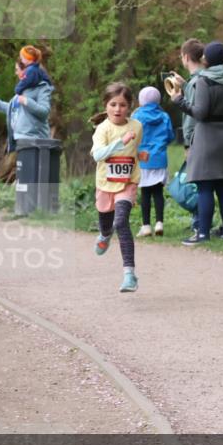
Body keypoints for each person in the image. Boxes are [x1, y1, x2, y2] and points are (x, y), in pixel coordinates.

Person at [172, 41, 223, 245]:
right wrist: (186, 86)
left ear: (206, 59)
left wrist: (179, 101)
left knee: (205, 188)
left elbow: (200, 112)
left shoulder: (203, 81)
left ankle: (203, 233)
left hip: (206, 136)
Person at [89, 83, 146, 292]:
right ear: (106, 105)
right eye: (113, 104)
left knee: (121, 222)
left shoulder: (137, 127)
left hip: (128, 183)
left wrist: (139, 156)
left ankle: (129, 275)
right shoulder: (102, 129)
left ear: (129, 107)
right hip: (105, 184)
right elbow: (98, 155)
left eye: (122, 105)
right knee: (107, 224)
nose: (117, 109)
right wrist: (119, 143)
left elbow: (134, 149)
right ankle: (104, 235)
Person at [131, 86, 174, 237]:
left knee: (145, 193)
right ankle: (159, 223)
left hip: (143, 158)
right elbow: (170, 136)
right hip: (160, 158)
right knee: (157, 192)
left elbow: (131, 136)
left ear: (141, 100)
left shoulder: (136, 115)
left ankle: (146, 226)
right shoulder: (164, 116)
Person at [175, 38, 205, 236]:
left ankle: (199, 222)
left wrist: (187, 142)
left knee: (197, 182)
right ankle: (200, 221)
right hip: (210, 138)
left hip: (197, 139)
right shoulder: (203, 79)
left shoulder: (197, 81)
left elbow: (192, 114)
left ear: (186, 57)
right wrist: (184, 84)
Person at [0, 61, 54, 153]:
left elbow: (44, 112)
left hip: (36, 142)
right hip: (21, 141)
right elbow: (15, 110)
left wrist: (27, 101)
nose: (15, 73)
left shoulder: (42, 88)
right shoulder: (22, 89)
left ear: (27, 71)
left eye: (17, 70)